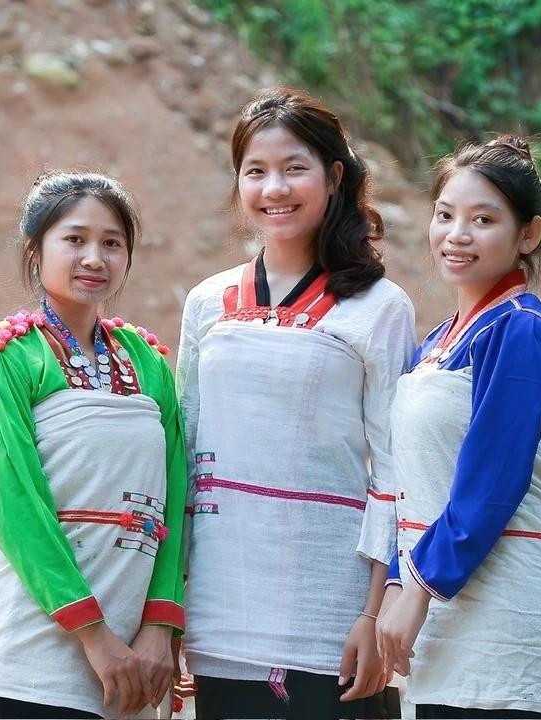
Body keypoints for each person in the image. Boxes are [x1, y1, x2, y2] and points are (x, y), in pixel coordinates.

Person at [175, 86, 415, 719]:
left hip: (331, 614)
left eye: (294, 168)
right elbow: (185, 456)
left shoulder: (380, 307)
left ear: (334, 177)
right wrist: (169, 609)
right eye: (255, 172)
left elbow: (396, 470)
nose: (273, 188)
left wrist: (375, 609)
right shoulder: (207, 303)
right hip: (220, 614)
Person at [0, 171, 187, 719]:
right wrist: (93, 634)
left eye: (112, 243)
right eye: (75, 239)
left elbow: (177, 498)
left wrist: (160, 626)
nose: (94, 257)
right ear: (36, 250)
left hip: (133, 662)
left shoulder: (149, 362)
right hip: (28, 657)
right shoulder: (6, 360)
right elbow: (16, 507)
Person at [376, 136, 541, 719]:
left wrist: (416, 586)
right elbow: (414, 485)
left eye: (483, 219)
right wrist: (399, 582)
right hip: (444, 615)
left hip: (512, 619)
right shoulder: (439, 341)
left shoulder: (519, 329)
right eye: (445, 215)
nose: (457, 234)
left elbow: (492, 480)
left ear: (529, 234)